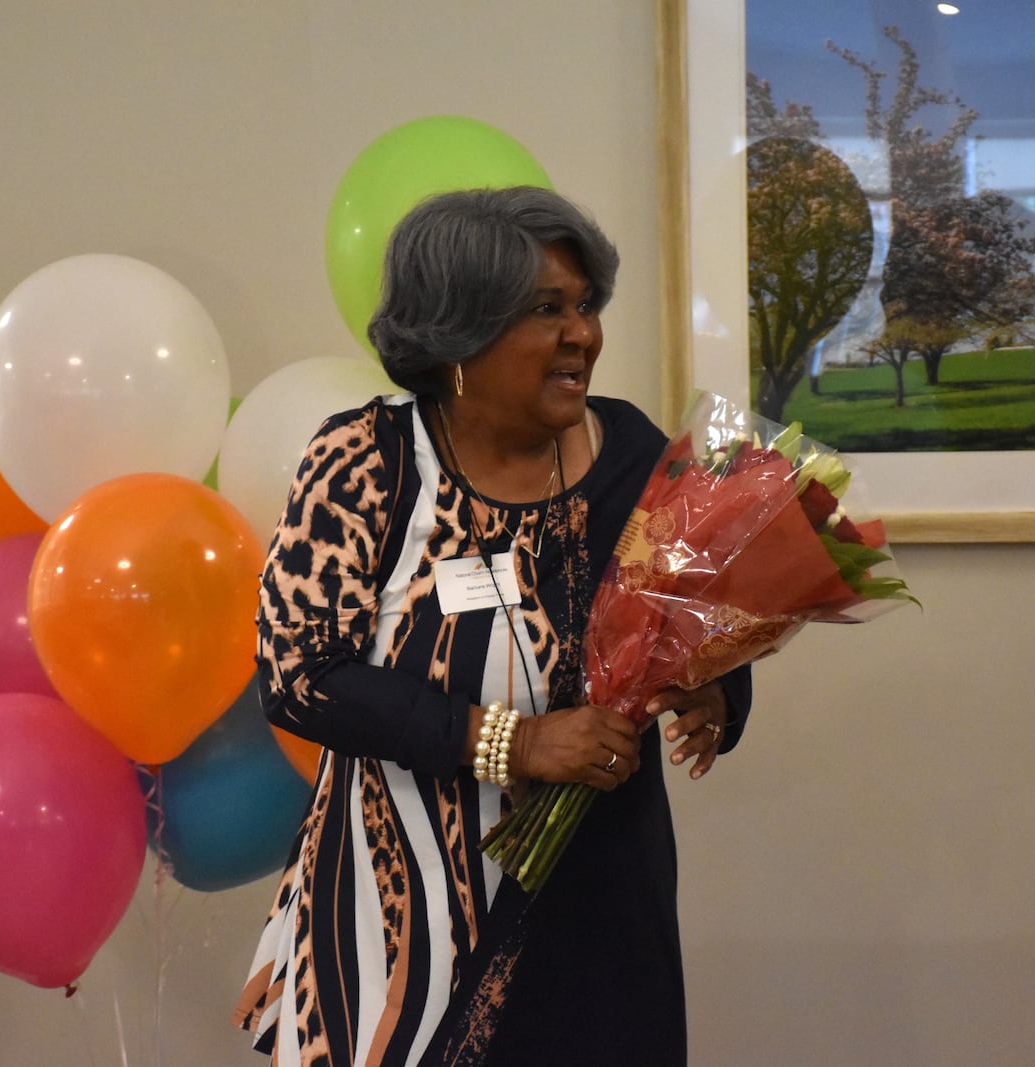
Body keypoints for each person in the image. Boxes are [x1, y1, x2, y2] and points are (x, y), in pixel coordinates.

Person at [233, 186, 752, 1066]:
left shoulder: (628, 449)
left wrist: (719, 687)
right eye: (546, 309)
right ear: (456, 332)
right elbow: (300, 672)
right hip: (406, 906)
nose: (581, 332)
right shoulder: (364, 461)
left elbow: (696, 614)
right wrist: (513, 742)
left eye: (586, 306)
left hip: (600, 906)